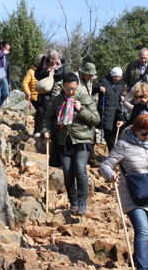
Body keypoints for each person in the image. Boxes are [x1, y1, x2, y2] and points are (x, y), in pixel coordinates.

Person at [100, 114, 148, 270]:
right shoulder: (123, 145)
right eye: (144, 133)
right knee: (142, 230)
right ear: (135, 130)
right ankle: (143, 267)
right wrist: (110, 175)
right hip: (132, 193)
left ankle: (138, 258)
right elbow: (106, 165)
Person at [42, 72, 100, 216]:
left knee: (80, 169)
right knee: (68, 173)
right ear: (63, 88)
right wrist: (46, 130)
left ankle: (82, 203)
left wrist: (81, 109)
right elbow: (48, 118)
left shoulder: (85, 99)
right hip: (64, 140)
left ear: (77, 86)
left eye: (74, 89)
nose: (71, 92)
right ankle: (73, 202)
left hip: (83, 140)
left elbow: (96, 119)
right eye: (68, 89)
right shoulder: (57, 100)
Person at [92, 67, 126, 153]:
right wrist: (99, 89)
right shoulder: (104, 82)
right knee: (109, 134)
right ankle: (113, 153)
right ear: (112, 75)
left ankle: (118, 152)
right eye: (116, 77)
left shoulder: (120, 84)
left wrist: (122, 97)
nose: (117, 78)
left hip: (117, 111)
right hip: (106, 113)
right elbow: (92, 90)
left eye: (119, 77)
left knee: (121, 129)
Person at [35, 49, 68, 123]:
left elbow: (65, 77)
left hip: (57, 92)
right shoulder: (43, 63)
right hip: (45, 93)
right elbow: (37, 75)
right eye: (51, 59)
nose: (53, 61)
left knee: (56, 112)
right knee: (48, 113)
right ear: (48, 57)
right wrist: (47, 70)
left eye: (55, 59)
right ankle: (46, 131)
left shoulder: (62, 65)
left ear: (58, 58)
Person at [22, 54, 45, 137]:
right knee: (40, 111)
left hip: (43, 95)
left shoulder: (45, 71)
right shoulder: (31, 71)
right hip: (33, 96)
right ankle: (37, 131)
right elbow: (25, 82)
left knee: (46, 111)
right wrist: (27, 92)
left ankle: (45, 130)